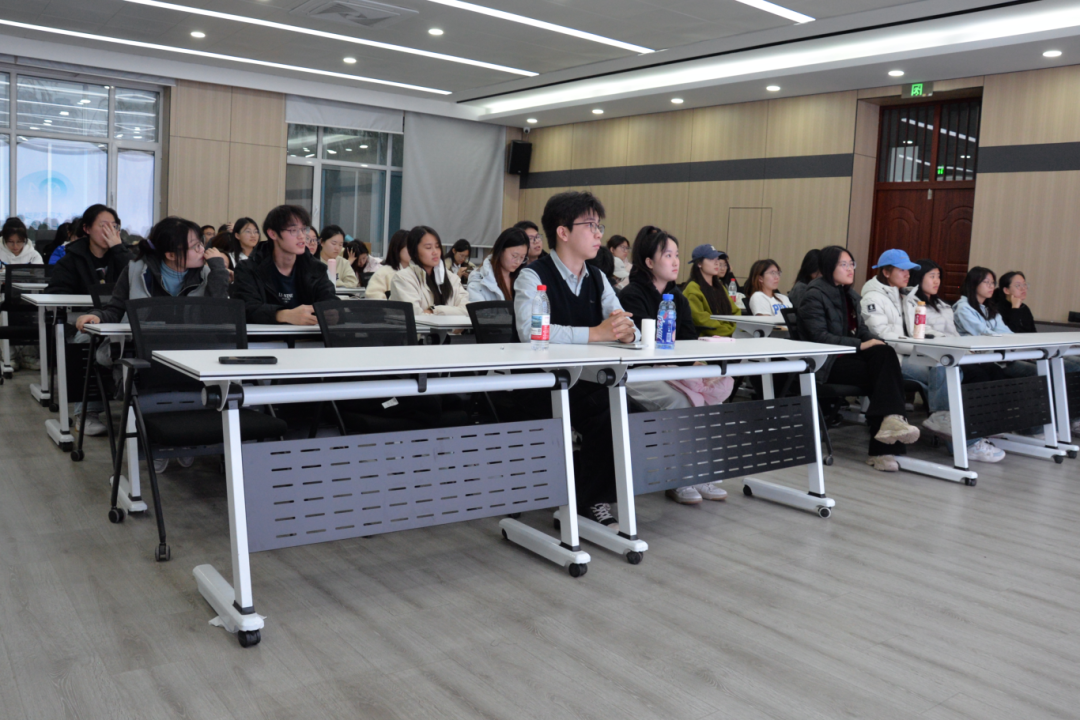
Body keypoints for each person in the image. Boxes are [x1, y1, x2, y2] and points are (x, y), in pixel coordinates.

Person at [514, 191, 638, 530]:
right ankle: (587, 500)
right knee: (608, 415)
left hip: (584, 380)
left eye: (600, 226)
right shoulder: (533, 275)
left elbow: (621, 321)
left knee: (631, 411)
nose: (599, 233)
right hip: (542, 382)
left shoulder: (598, 277)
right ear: (563, 232)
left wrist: (628, 334)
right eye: (590, 225)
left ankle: (586, 495)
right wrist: (596, 333)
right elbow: (531, 332)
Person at [617, 226, 732, 504]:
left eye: (677, 255)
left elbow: (688, 340)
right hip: (636, 373)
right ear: (649, 262)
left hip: (671, 369)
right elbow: (642, 345)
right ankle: (677, 477)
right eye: (668, 255)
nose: (676, 261)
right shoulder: (632, 294)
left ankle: (699, 472)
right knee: (681, 402)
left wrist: (699, 365)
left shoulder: (677, 297)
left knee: (711, 398)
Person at [798, 245, 921, 472]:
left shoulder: (850, 295)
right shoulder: (814, 295)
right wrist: (861, 345)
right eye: (843, 264)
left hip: (849, 357)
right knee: (883, 373)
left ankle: (890, 425)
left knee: (884, 355)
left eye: (851, 264)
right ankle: (883, 448)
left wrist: (874, 342)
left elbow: (862, 330)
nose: (850, 269)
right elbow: (819, 337)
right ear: (829, 267)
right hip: (826, 363)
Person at [904, 259, 1008, 459]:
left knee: (992, 370)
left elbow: (954, 334)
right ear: (919, 278)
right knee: (974, 375)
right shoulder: (912, 302)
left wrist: (963, 349)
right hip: (932, 354)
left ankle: (982, 425)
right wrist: (954, 346)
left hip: (952, 352)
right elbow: (922, 332)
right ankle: (966, 439)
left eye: (938, 277)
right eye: (932, 276)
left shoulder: (943, 305)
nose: (937, 281)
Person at [230, 205, 335, 325]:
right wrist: (283, 315)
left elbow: (331, 302)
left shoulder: (315, 268)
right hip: (265, 336)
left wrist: (333, 313)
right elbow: (246, 309)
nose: (302, 236)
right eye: (293, 230)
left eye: (303, 229)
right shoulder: (248, 269)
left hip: (308, 335)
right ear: (273, 234)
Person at [45, 205, 133, 294]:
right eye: (104, 226)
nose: (109, 231)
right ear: (87, 228)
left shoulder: (123, 254)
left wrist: (118, 248)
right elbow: (56, 291)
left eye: (114, 226)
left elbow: (136, 279)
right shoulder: (71, 260)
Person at [391, 226, 469, 316]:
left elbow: (467, 310)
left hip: (451, 326)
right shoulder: (403, 278)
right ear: (414, 251)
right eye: (428, 247)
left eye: (437, 247)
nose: (435, 252)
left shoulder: (451, 277)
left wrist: (434, 311)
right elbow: (415, 316)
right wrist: (452, 312)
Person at [683, 244, 739, 337]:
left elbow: (735, 311)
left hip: (727, 336)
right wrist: (729, 331)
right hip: (705, 340)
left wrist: (732, 329)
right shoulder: (693, 288)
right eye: (711, 259)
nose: (717, 263)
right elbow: (702, 320)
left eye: (717, 259)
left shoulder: (720, 287)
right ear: (699, 264)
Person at [468, 227, 528, 302]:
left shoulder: (523, 279)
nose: (518, 262)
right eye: (514, 256)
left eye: (522, 257)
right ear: (500, 250)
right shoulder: (479, 282)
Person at [366, 229, 409, 299]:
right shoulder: (384, 273)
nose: (413, 251)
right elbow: (373, 299)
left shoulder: (418, 272)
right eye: (409, 247)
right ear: (397, 248)